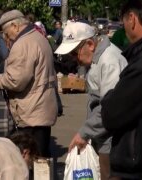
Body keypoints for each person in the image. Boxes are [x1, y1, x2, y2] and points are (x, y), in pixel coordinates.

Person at [55, 21, 127, 179]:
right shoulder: (99, 59)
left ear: (90, 44)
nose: (74, 59)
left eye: (75, 53)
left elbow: (110, 108)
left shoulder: (109, 61)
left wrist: (85, 132)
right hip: (103, 138)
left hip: (112, 142)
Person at [0, 9, 58, 157]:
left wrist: (0, 80)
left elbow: (16, 80)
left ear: (15, 26)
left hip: (31, 111)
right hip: (41, 108)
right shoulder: (38, 37)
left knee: (30, 160)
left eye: (6, 32)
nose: (6, 37)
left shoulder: (23, 44)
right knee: (41, 158)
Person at [101, 0, 142, 179]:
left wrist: (110, 95)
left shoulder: (139, 66)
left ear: (132, 19)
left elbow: (112, 114)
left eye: (124, 21)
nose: (124, 27)